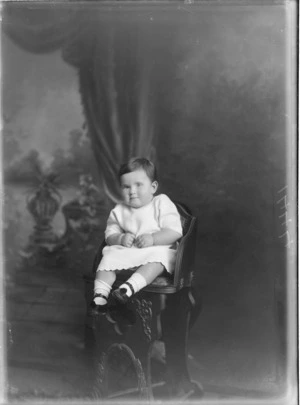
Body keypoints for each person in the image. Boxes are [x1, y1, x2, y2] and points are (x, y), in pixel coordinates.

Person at [92, 157, 183, 311]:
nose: (132, 191)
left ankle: (127, 289)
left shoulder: (161, 203)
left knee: (160, 258)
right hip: (129, 250)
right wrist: (120, 238)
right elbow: (110, 234)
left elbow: (175, 231)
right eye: (126, 187)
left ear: (153, 187)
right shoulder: (120, 209)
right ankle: (100, 295)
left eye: (138, 185)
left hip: (155, 249)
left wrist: (153, 238)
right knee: (108, 257)